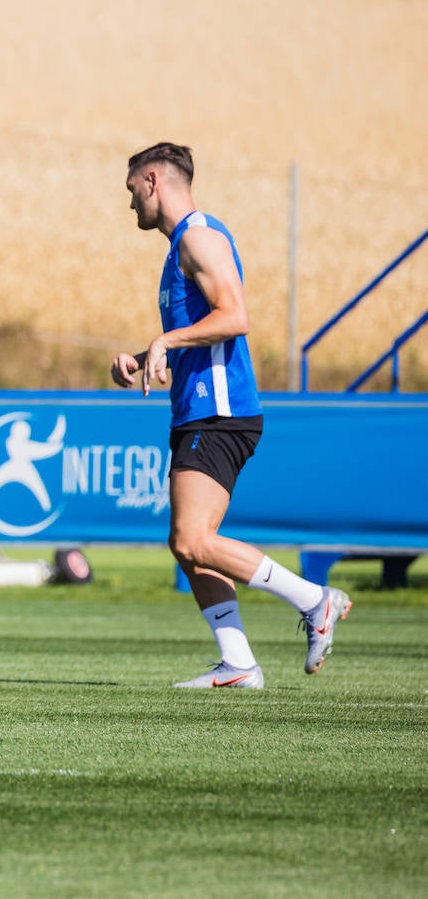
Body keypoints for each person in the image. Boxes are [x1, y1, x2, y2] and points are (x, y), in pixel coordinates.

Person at [110, 142, 351, 689]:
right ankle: (238, 664)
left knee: (193, 541)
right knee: (189, 543)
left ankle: (316, 602)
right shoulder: (178, 251)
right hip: (199, 411)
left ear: (152, 181)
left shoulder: (199, 236)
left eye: (130, 192)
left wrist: (164, 338)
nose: (130, 207)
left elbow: (235, 316)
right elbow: (200, 342)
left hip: (219, 414)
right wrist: (149, 361)